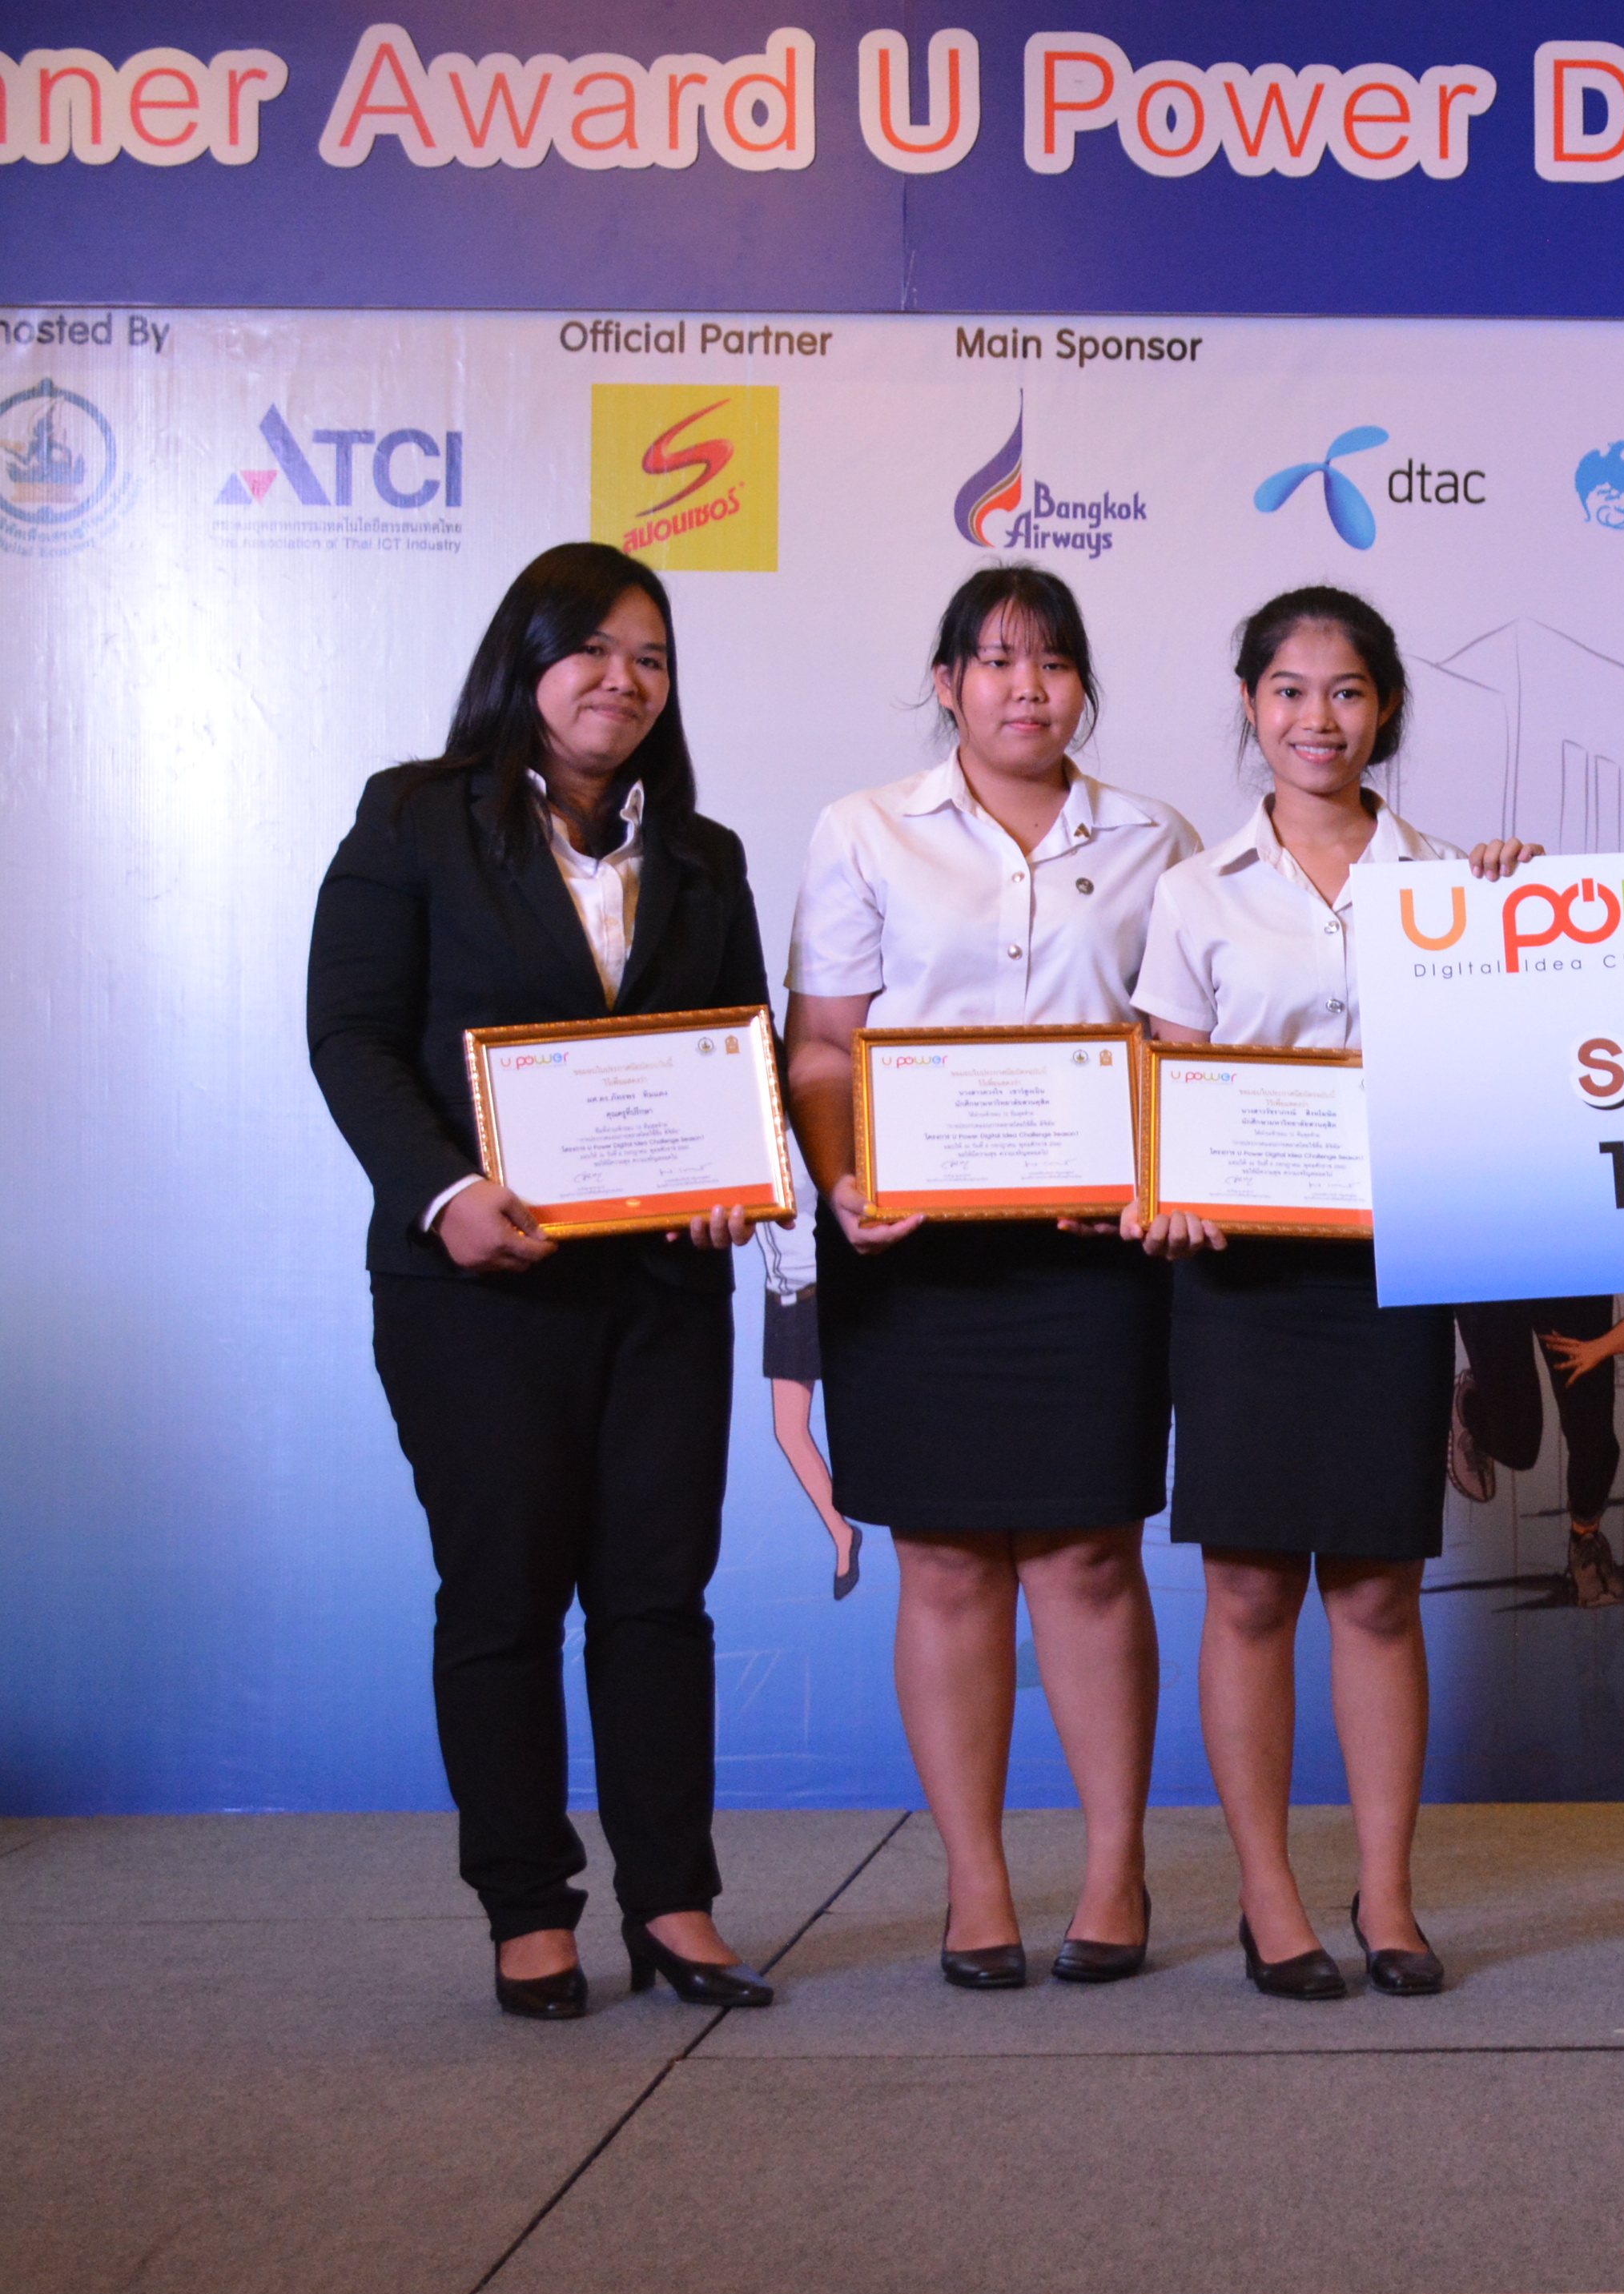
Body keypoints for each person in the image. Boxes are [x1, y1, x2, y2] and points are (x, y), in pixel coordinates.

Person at [307, 542, 773, 2019]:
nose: (623, 681)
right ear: (528, 660)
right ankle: (527, 1908)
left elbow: (739, 1054)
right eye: (593, 650)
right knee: (503, 1595)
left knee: (657, 1599)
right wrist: (444, 1194)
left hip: (664, 1294)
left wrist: (735, 1177)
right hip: (478, 1291)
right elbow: (349, 1036)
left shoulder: (705, 856)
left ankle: (675, 1901)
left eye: (652, 657)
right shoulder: (413, 818)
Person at [783, 568, 1195, 1993]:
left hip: (1093, 1252)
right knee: (948, 1562)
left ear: (1084, 686)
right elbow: (823, 1045)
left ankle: (1114, 1866)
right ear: (947, 681)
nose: (1029, 687)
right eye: (998, 660)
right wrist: (843, 1178)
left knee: (1090, 1557)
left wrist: (1160, 1169)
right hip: (913, 1256)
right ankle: (975, 1881)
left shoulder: (1154, 837)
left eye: (1055, 661)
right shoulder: (863, 829)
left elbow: (1178, 1045)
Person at [1132, 586, 1541, 2000]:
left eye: (1349, 691)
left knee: (1376, 1591)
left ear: (1388, 710)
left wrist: (1523, 916)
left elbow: (1507, 1056)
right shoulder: (1194, 890)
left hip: (1390, 1274)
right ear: (1253, 707)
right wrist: (1173, 1182)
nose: (1320, 718)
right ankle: (1269, 1896)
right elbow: (1169, 1086)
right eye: (1291, 691)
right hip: (1241, 1284)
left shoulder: (1451, 882)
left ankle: (1388, 1895)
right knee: (1248, 1590)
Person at [1445, 1294, 1624, 1604]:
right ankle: (1468, 1406)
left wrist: (1598, 1349)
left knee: (1593, 1434)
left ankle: (1586, 1538)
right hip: (1493, 1279)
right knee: (1517, 1446)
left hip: (1572, 1280)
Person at [754, 1162, 862, 1598]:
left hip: (823, 1287)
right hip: (783, 1295)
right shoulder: (753, 1141)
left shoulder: (809, 1143)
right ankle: (842, 1533)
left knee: (858, 1414)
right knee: (788, 1429)